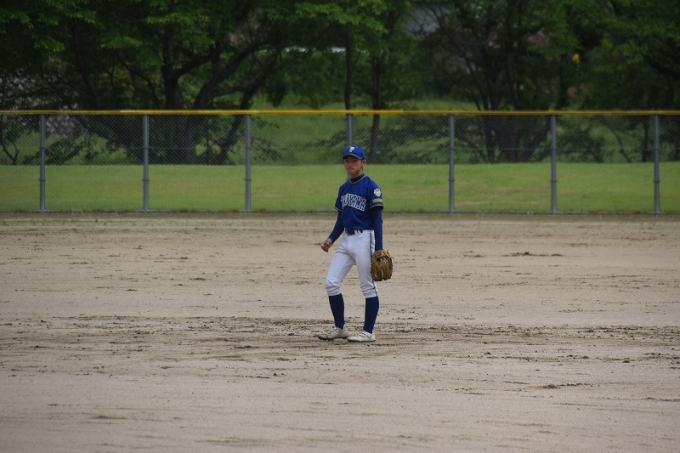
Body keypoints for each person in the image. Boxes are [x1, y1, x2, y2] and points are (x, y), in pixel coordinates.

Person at [318, 144, 384, 343]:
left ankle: (368, 332)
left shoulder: (372, 187)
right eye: (347, 160)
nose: (350, 164)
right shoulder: (344, 188)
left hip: (366, 239)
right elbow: (341, 219)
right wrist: (331, 238)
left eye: (354, 160)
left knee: (368, 286)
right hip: (346, 240)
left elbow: (377, 220)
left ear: (363, 163)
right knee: (331, 283)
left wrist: (379, 248)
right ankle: (340, 328)